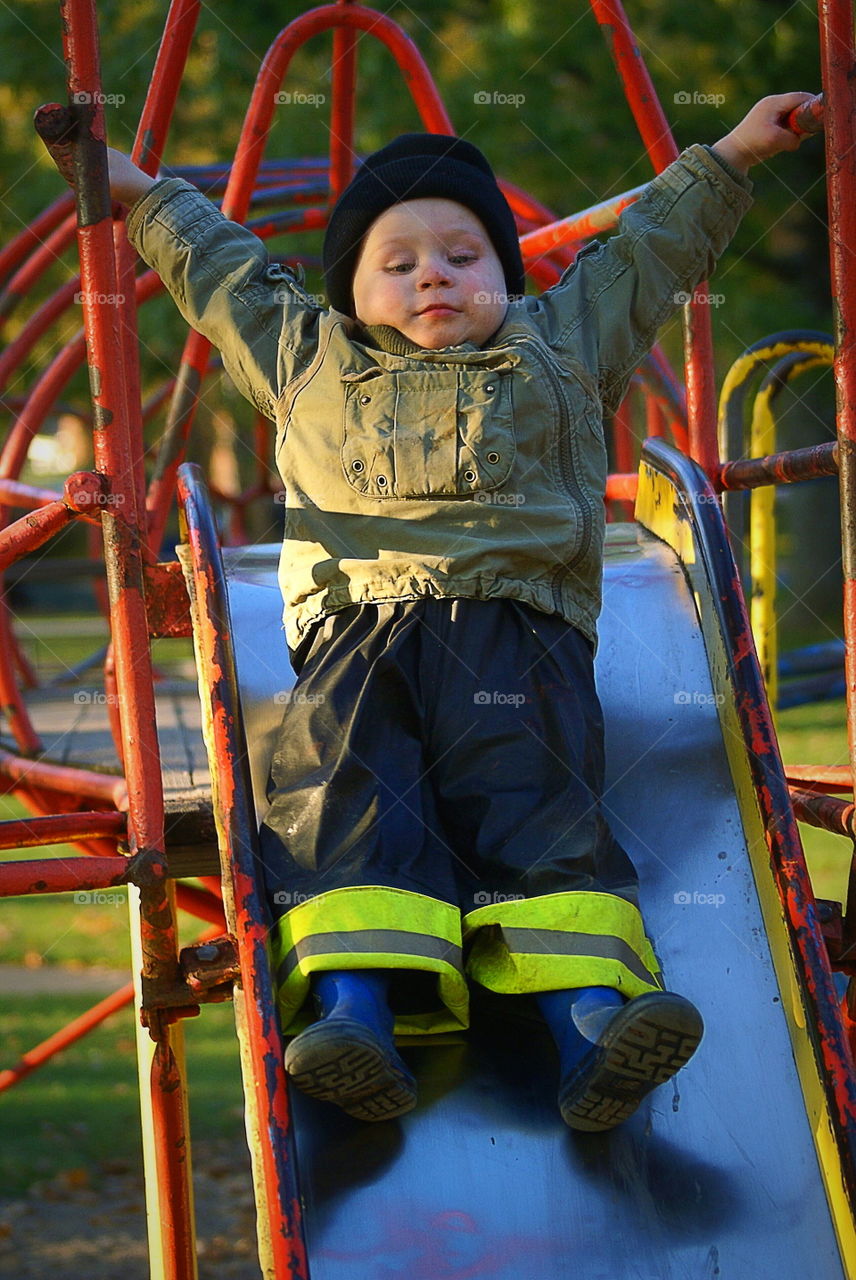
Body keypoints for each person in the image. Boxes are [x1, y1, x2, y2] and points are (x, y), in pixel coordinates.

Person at [101, 91, 812, 1130]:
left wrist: (739, 149)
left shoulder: (560, 341)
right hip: (355, 641)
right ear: (347, 287)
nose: (433, 271)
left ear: (504, 275)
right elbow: (218, 268)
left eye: (463, 253)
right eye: (398, 261)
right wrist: (137, 190)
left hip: (516, 635)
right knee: (346, 806)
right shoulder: (306, 356)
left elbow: (650, 251)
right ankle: (354, 1014)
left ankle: (593, 1027)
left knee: (542, 819)